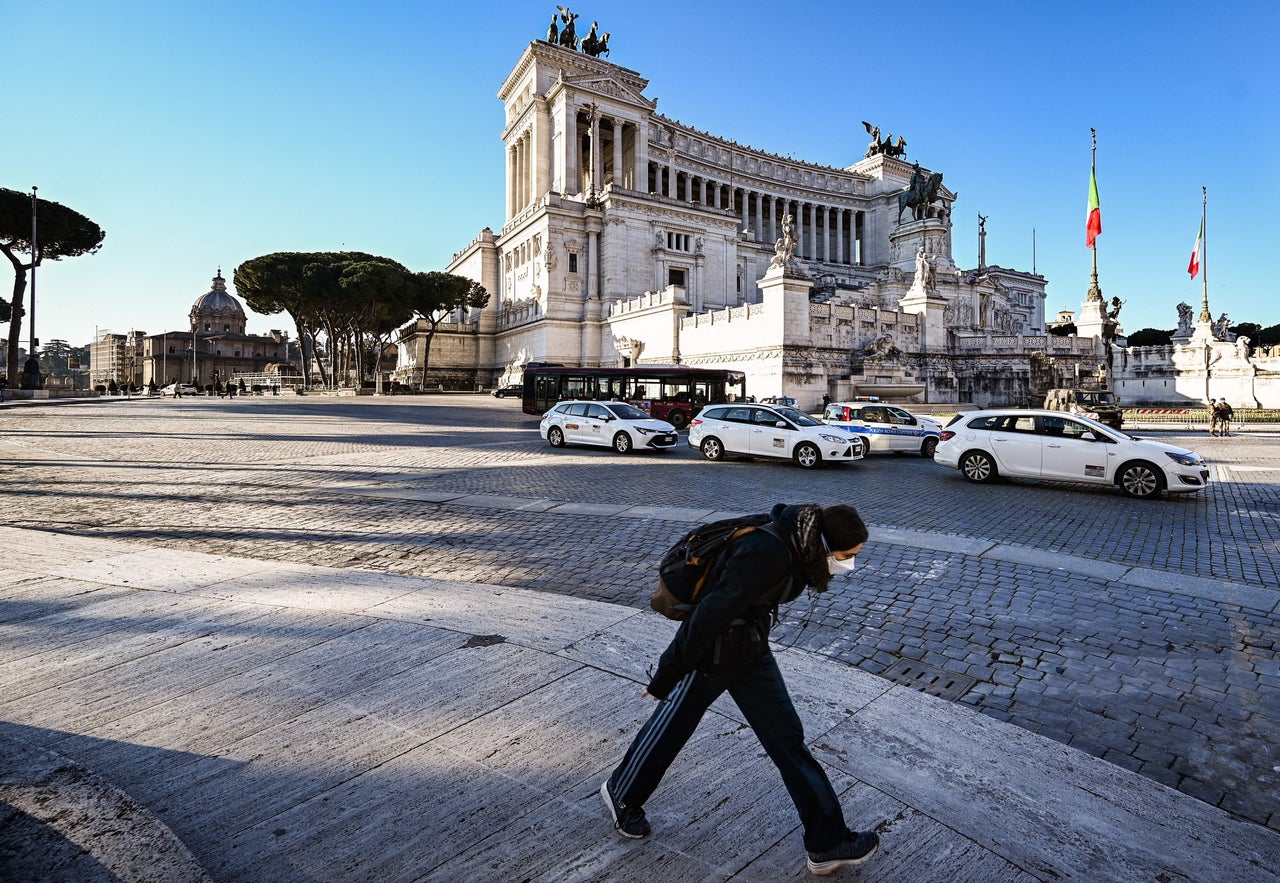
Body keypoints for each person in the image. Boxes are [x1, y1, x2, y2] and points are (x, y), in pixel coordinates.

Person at [601, 503, 880, 876]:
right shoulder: (768, 553)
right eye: (846, 556)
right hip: (714, 651)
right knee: (672, 727)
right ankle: (622, 793)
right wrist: (667, 674)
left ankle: (828, 842)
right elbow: (709, 614)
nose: (848, 564)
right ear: (826, 543)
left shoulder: (799, 541)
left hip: (750, 647)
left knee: (788, 741)